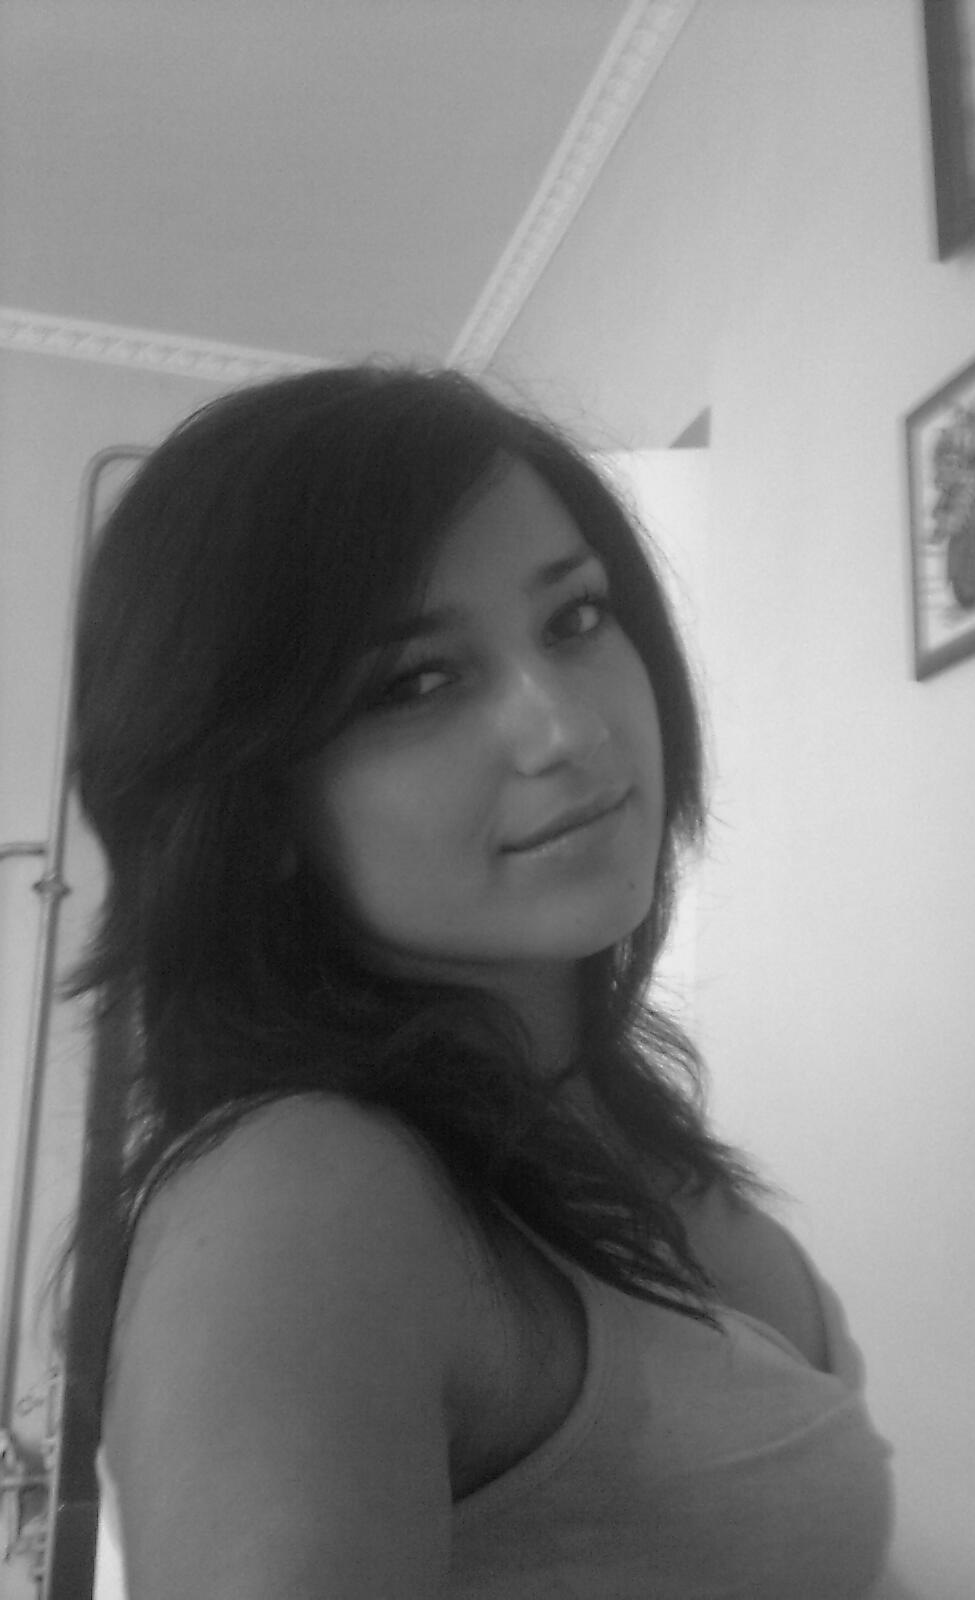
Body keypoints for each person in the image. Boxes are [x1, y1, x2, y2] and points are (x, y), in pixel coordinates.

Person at [70, 363, 894, 1598]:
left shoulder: (607, 1120)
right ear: (256, 804)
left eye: (576, 618)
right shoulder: (302, 1197)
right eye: (415, 682)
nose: (569, 728)